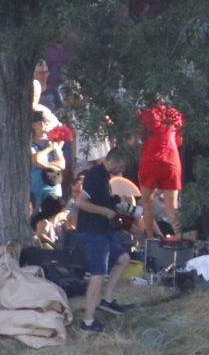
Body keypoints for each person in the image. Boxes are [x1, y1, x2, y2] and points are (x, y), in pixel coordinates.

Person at [69, 144, 132, 331]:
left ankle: (107, 299)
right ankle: (88, 321)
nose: (122, 170)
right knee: (98, 274)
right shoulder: (95, 175)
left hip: (104, 230)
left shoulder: (105, 177)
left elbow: (101, 199)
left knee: (123, 259)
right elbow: (81, 202)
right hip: (92, 231)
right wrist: (104, 211)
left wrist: (116, 204)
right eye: (121, 166)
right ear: (113, 160)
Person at [136, 97, 186, 233]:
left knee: (147, 202)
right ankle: (179, 235)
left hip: (151, 159)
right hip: (172, 161)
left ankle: (151, 239)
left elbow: (136, 138)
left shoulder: (143, 114)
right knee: (172, 207)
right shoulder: (174, 114)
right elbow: (179, 141)